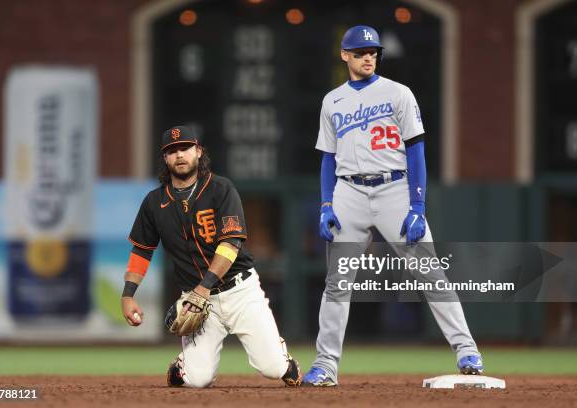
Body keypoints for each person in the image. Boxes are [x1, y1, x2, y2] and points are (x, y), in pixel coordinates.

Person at [303, 25, 483, 387]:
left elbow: (416, 148)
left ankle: (467, 350)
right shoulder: (332, 100)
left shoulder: (398, 93)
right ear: (345, 55)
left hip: (394, 188)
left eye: (373, 52)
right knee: (337, 284)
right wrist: (326, 203)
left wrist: (417, 205)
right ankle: (325, 365)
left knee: (430, 272)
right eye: (360, 52)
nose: (368, 57)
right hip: (348, 191)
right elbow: (327, 157)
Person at [120, 125, 302, 388]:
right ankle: (184, 364)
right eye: (171, 151)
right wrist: (128, 295)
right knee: (197, 380)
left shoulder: (220, 189)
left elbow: (230, 244)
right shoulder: (153, 202)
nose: (179, 155)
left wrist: (204, 288)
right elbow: (142, 250)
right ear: (165, 159)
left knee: (273, 369)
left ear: (198, 151)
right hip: (196, 298)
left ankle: (284, 360)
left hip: (240, 291)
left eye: (185, 148)